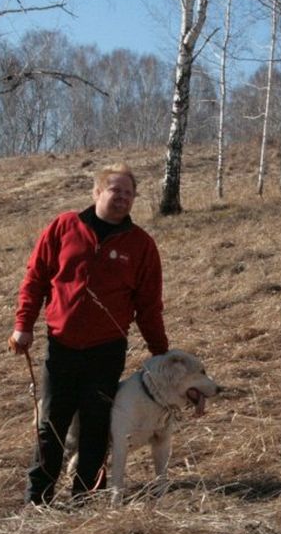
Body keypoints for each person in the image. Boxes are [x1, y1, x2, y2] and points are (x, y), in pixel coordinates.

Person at [9, 162, 169, 505]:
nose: (122, 197)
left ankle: (85, 498)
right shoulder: (64, 227)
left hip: (107, 351)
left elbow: (149, 305)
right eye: (115, 190)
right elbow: (35, 279)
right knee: (51, 424)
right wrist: (23, 325)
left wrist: (161, 352)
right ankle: (38, 499)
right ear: (97, 192)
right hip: (61, 347)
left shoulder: (141, 245)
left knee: (97, 426)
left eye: (129, 193)